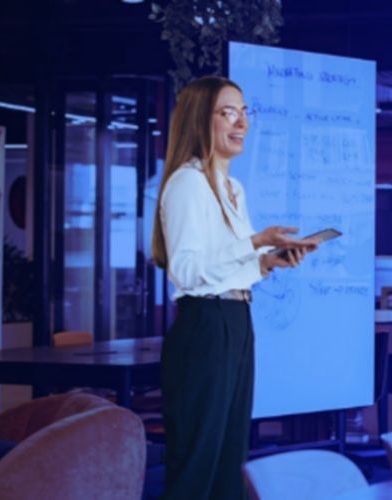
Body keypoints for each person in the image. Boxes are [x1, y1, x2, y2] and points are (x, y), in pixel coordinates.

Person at [151, 76, 318, 500]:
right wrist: (255, 242)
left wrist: (265, 264)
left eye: (245, 112)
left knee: (229, 461)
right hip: (204, 325)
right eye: (228, 112)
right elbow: (187, 272)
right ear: (198, 120)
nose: (241, 122)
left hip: (235, 319)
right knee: (197, 464)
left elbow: (225, 267)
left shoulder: (232, 188)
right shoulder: (187, 183)